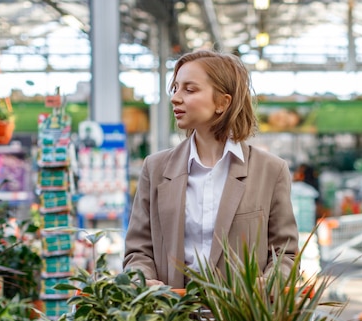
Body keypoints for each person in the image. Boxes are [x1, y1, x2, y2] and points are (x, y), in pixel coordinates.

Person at [123, 50, 299, 288]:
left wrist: (268, 283)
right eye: (175, 88)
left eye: (189, 89)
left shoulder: (270, 171)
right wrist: (143, 281)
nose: (175, 98)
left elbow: (285, 254)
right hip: (171, 319)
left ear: (222, 103)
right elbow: (138, 251)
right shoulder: (155, 169)